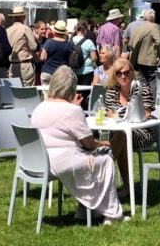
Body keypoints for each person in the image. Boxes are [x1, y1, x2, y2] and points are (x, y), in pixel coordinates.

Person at [30, 65, 128, 225]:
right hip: (62, 162)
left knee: (95, 157)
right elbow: (89, 143)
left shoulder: (39, 107)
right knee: (106, 158)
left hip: (39, 161)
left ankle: (84, 209)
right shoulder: (71, 111)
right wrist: (104, 143)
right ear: (71, 88)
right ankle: (111, 213)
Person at [104, 58, 155, 199]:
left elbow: (146, 114)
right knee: (122, 136)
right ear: (114, 75)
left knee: (121, 137)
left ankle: (104, 170)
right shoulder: (112, 91)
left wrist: (121, 116)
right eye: (119, 73)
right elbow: (110, 114)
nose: (123, 76)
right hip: (119, 133)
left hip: (142, 132)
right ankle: (127, 187)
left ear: (132, 73)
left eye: (126, 72)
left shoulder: (141, 89)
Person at [128, 9, 160, 98]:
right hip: (150, 60)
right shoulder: (154, 26)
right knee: (152, 82)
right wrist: (159, 53)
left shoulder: (137, 28)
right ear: (153, 18)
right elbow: (158, 42)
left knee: (143, 82)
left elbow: (130, 44)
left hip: (139, 60)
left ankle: (144, 102)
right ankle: (153, 103)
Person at [6, 6, 38, 87]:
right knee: (27, 90)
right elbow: (33, 47)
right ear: (23, 17)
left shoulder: (8, 30)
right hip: (25, 64)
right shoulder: (25, 29)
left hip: (12, 64)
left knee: (15, 90)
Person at [71, 21, 97, 109]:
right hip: (87, 71)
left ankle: (76, 108)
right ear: (85, 30)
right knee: (85, 94)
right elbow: (94, 58)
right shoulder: (88, 42)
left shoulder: (71, 41)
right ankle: (85, 110)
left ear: (76, 29)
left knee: (75, 93)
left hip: (74, 71)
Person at [39, 20, 74, 85]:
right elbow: (71, 60)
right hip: (62, 73)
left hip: (47, 72)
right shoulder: (69, 44)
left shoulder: (49, 42)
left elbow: (42, 58)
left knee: (46, 91)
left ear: (54, 32)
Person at [32, 20, 47, 85]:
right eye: (42, 29)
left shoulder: (47, 41)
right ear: (36, 30)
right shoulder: (32, 41)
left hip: (44, 69)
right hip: (34, 69)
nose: (44, 31)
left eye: (45, 29)